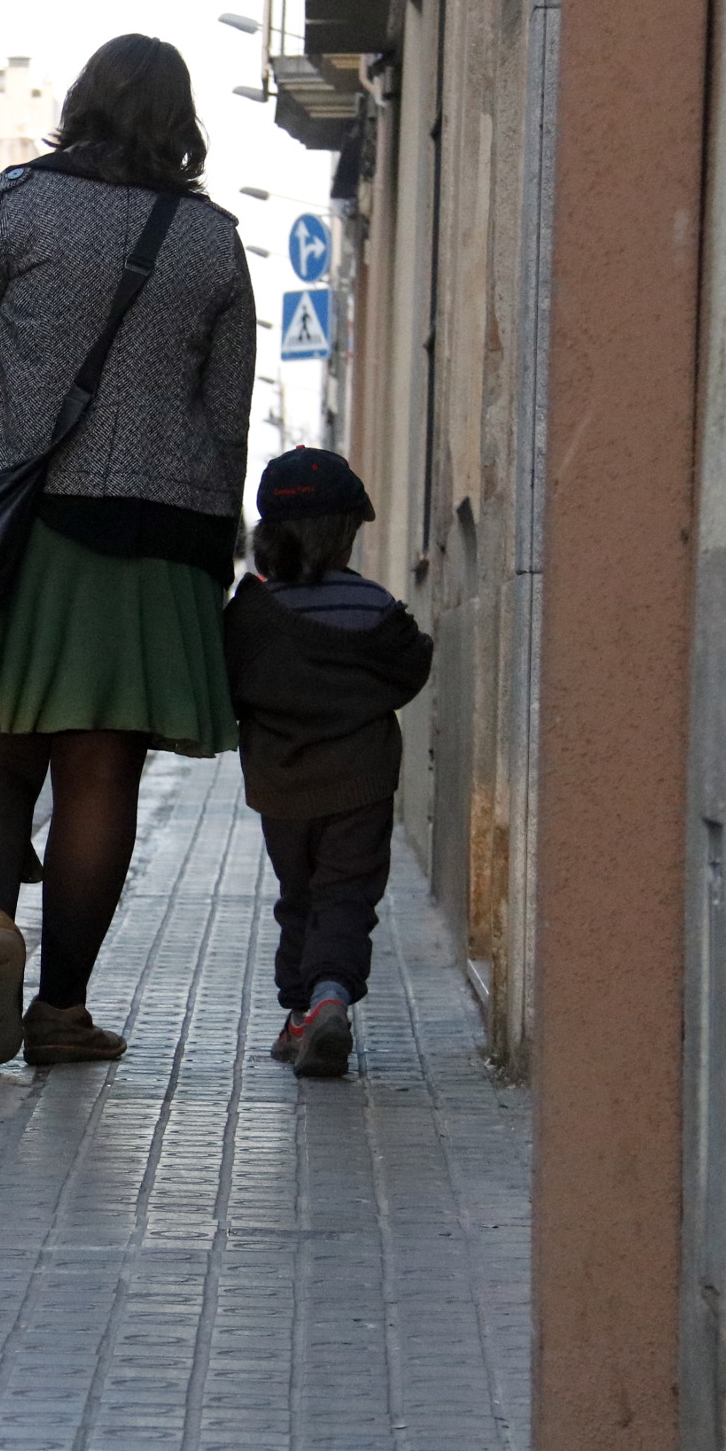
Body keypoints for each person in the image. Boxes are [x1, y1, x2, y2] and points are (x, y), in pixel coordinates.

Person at [0, 34, 253, 1068]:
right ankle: (60, 1008)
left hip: (12, 527)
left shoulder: (17, 204)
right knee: (102, 775)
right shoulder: (212, 242)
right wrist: (212, 550)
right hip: (155, 539)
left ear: (81, 102)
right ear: (183, 126)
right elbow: (225, 422)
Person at [223, 448, 433, 1077]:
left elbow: (229, 679)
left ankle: (299, 1016)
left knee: (299, 896)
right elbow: (411, 665)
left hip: (281, 789)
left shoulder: (252, 611)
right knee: (345, 896)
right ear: (346, 532)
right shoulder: (375, 608)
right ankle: (329, 999)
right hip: (361, 782)